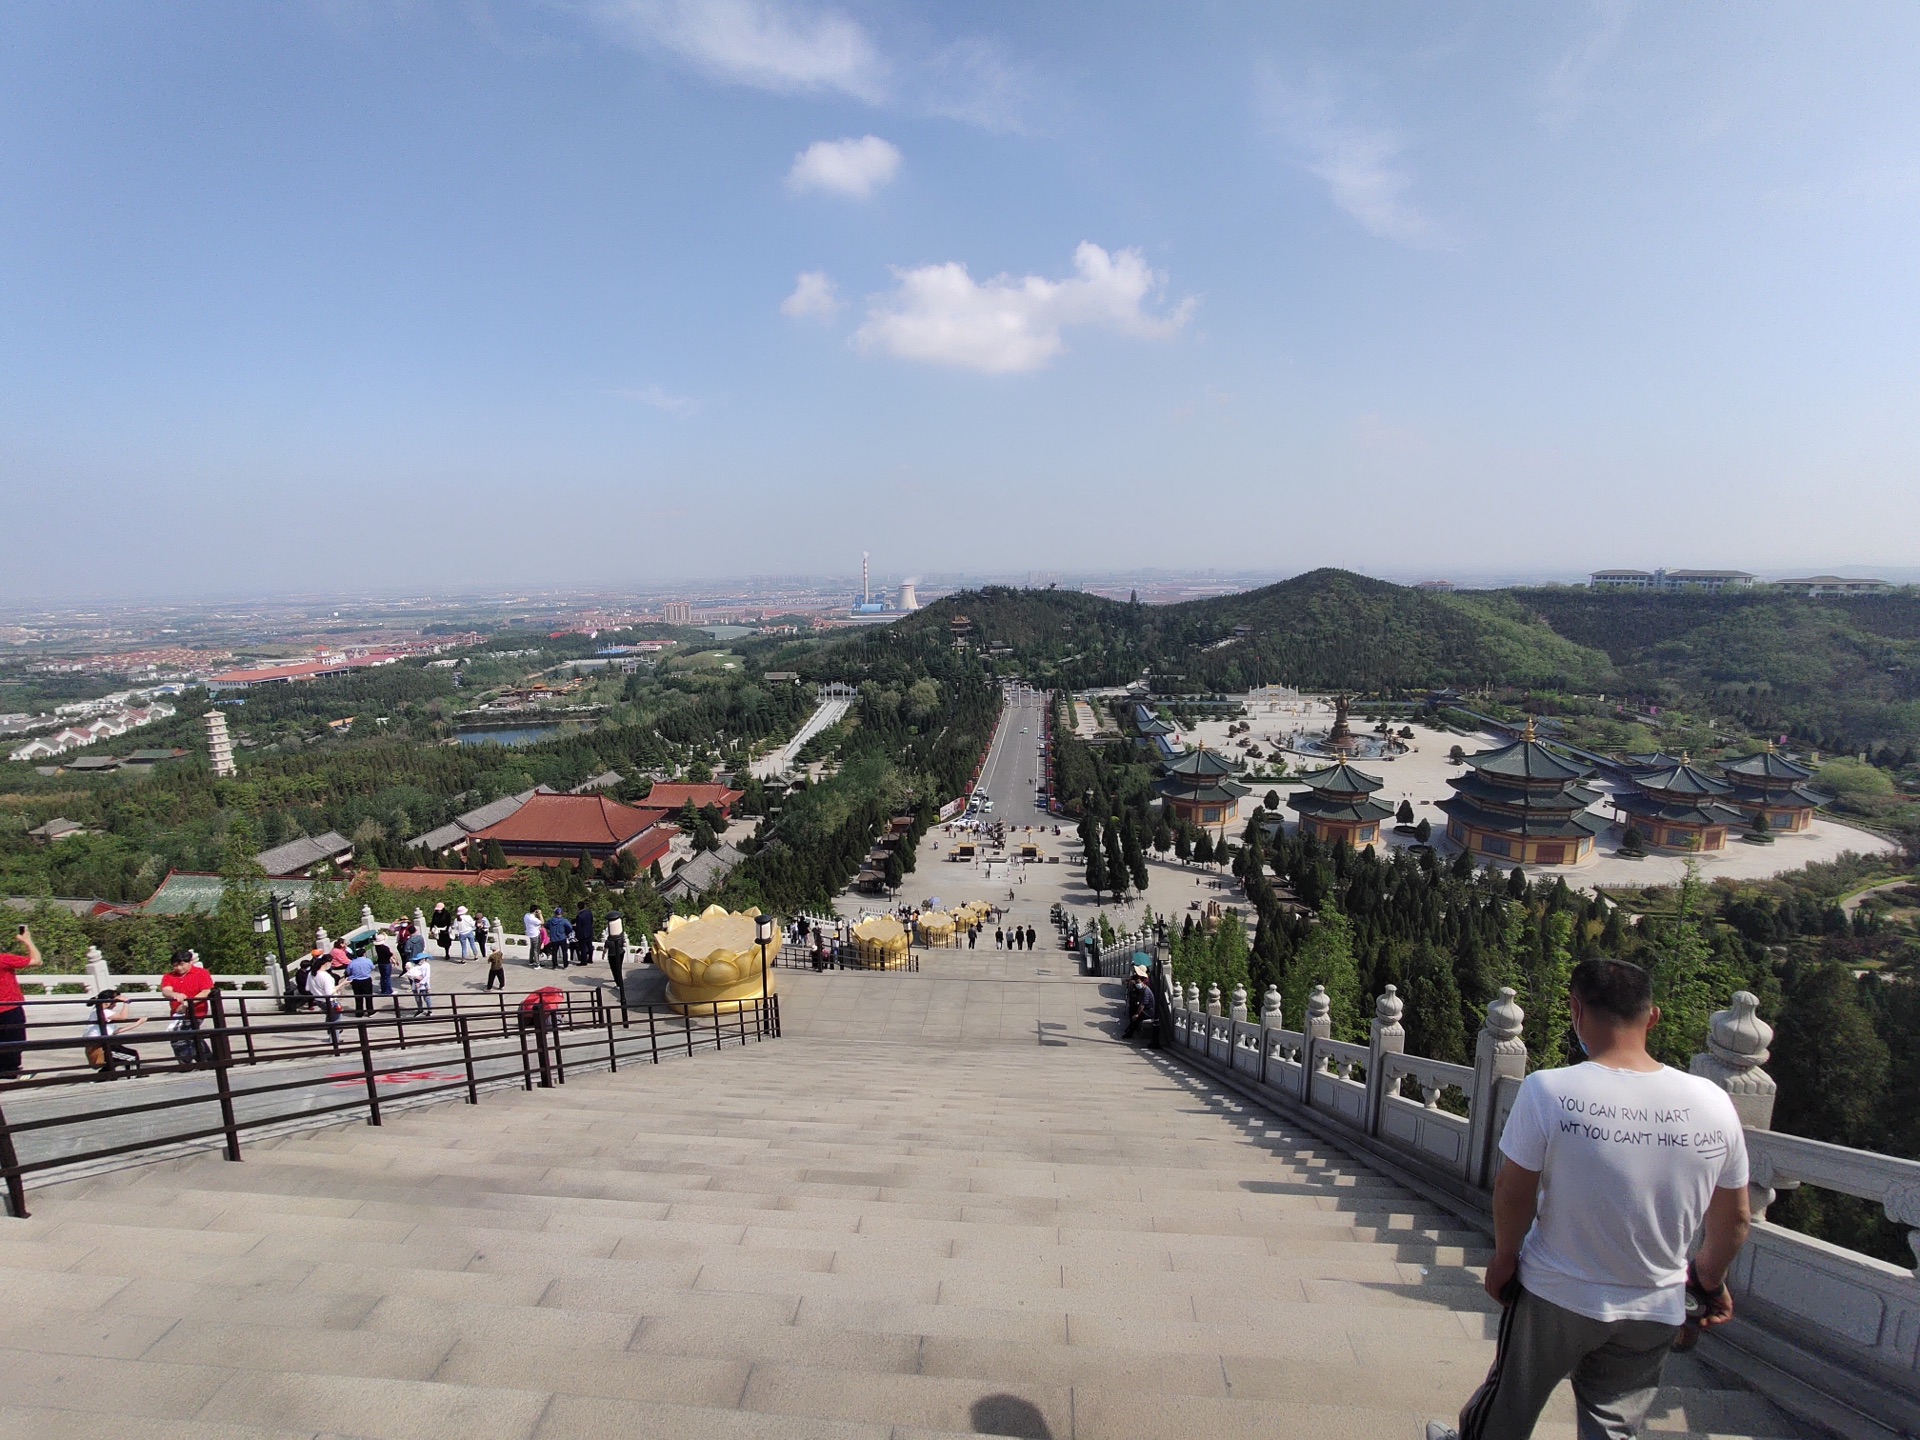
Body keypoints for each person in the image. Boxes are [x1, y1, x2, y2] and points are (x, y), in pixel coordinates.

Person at [1427, 958, 1752, 1440]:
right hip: (1654, 1302)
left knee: (1508, 1404)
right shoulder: (1712, 1101)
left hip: (1555, 1292)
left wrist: (1503, 1258)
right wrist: (1708, 1281)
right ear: (1653, 1017)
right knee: (1614, 1424)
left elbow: (1512, 1192)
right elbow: (1736, 1219)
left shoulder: (1550, 1090)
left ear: (1575, 1009)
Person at [160, 949, 214, 1068]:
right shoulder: (169, 976)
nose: (179, 968)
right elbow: (166, 990)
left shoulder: (201, 973)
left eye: (181, 964)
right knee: (190, 1035)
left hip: (197, 1011)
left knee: (183, 1034)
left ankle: (187, 1063)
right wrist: (175, 995)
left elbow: (206, 991)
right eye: (175, 965)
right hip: (177, 1013)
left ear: (189, 962)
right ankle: (206, 1060)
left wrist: (188, 1003)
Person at [1, 923, 41, 1081]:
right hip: (9, 1008)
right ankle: (11, 1073)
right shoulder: (3, 960)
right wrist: (27, 940)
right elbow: (37, 960)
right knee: (15, 1041)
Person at [82, 990, 146, 1079]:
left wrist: (138, 1023)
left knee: (122, 1056)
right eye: (115, 1002)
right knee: (131, 1056)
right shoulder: (102, 1011)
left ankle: (102, 1076)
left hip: (104, 1043)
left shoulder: (99, 1011)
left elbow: (116, 1031)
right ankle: (133, 1077)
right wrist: (126, 1002)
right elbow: (123, 1017)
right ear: (108, 1002)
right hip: (100, 1046)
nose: (115, 1005)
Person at [305, 951, 343, 1051]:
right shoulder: (326, 976)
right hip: (330, 1000)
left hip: (318, 1000)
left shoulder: (311, 974)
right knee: (336, 1020)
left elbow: (308, 988)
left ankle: (331, 1035)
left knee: (331, 1017)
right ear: (326, 963)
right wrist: (342, 985)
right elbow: (329, 992)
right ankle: (334, 1040)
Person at [345, 946, 376, 1017]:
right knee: (368, 997)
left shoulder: (352, 962)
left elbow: (348, 971)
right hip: (366, 980)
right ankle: (370, 1011)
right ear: (364, 954)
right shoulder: (368, 961)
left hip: (356, 981)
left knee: (358, 997)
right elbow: (372, 968)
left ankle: (359, 1013)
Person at [403, 951, 432, 1016]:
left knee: (426, 998)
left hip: (424, 985)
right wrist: (415, 977)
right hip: (415, 984)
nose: (420, 961)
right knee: (417, 998)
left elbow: (427, 976)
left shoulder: (427, 965)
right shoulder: (416, 966)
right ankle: (420, 1009)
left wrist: (421, 982)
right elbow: (411, 974)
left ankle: (430, 1010)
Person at [603, 915, 626, 995]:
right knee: (618, 968)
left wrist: (603, 955)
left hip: (612, 955)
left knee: (615, 970)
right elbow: (624, 945)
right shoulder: (620, 938)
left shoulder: (608, 941)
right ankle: (619, 981)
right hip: (621, 953)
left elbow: (605, 949)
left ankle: (618, 983)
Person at [373, 932, 396, 997]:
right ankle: (389, 991)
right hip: (386, 963)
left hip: (380, 963)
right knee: (387, 977)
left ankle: (383, 990)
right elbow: (389, 955)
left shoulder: (377, 947)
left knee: (382, 977)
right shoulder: (385, 948)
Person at [573, 902, 595, 968]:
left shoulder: (579, 916)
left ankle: (584, 961)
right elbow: (591, 921)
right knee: (590, 945)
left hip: (583, 934)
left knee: (583, 948)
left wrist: (577, 935)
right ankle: (590, 959)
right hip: (589, 931)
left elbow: (578, 927)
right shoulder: (589, 912)